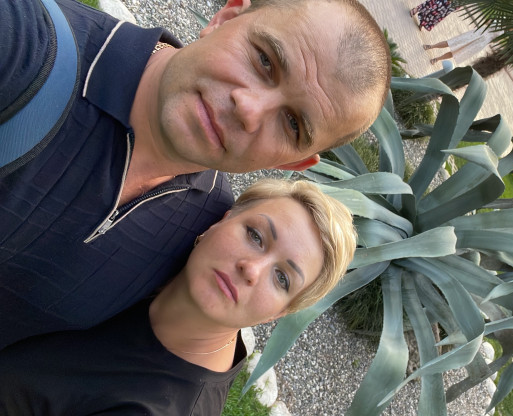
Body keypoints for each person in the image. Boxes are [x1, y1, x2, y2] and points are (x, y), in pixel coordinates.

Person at [0, 0, 389, 350]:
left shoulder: (207, 223)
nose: (249, 109)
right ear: (225, 17)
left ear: (292, 163)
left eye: (292, 124)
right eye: (265, 61)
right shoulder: (21, 46)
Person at [0, 179, 357, 415]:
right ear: (221, 220)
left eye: (281, 278)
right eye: (255, 235)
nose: (251, 269)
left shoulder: (151, 407)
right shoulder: (157, 241)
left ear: (277, 314)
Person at [424, 27, 503, 65]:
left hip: (481, 42)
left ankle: (437, 59)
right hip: (477, 33)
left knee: (457, 52)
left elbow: (495, 40)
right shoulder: (501, 18)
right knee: (453, 42)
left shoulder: (505, 33)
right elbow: (487, 22)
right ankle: (431, 46)